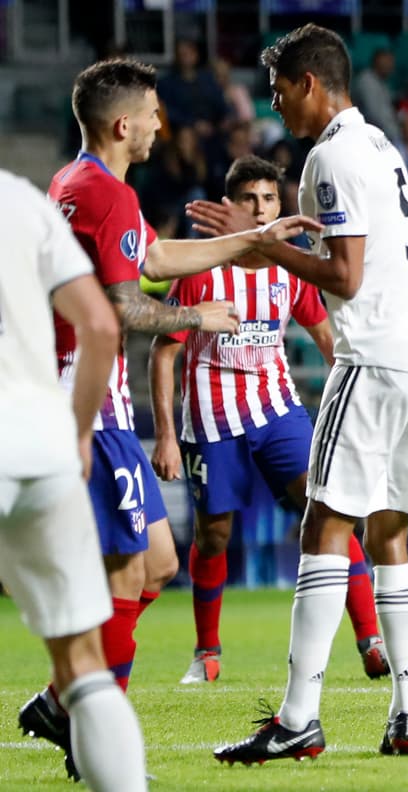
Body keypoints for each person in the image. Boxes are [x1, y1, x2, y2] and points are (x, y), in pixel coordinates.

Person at [21, 57, 316, 778]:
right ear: (125, 124)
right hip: (92, 402)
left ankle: (63, 705)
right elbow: (123, 303)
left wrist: (251, 242)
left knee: (156, 563)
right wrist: (196, 313)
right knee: (126, 575)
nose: (161, 123)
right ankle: (93, 738)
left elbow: (152, 254)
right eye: (153, 113)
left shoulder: (78, 183)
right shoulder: (110, 195)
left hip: (77, 395)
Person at [189, 23, 408, 761]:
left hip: (377, 358)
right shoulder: (378, 145)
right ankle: (405, 712)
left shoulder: (329, 156)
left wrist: (258, 240)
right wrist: (276, 237)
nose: (275, 106)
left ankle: (297, 717)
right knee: (390, 529)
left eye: (279, 92)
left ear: (311, 82)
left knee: (323, 522)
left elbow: (343, 277)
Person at [149, 155, 389, 685]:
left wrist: (353, 405)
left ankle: (370, 640)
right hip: (210, 419)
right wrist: (166, 436)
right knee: (214, 536)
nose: (261, 209)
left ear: (282, 206)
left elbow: (328, 339)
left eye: (270, 199)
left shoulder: (290, 265)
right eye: (249, 200)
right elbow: (164, 353)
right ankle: (207, 653)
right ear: (230, 207)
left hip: (276, 407)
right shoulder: (200, 269)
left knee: (328, 508)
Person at [3, 168, 147, 791]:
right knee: (84, 666)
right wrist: (80, 434)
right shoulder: (22, 199)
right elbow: (101, 324)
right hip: (42, 436)